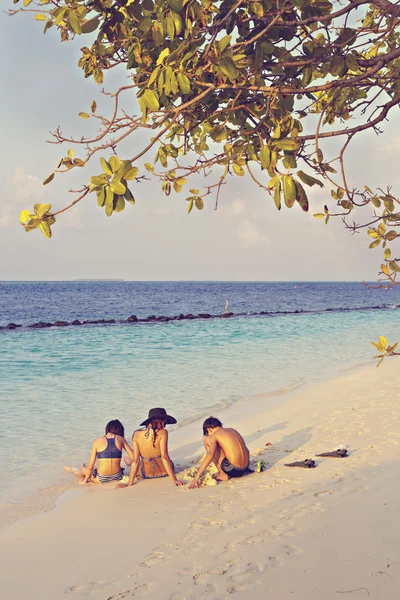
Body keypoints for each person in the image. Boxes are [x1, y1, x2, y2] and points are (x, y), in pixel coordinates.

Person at [117, 408, 185, 488]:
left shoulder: (136, 434)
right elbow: (164, 457)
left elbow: (136, 460)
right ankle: (128, 461)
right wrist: (174, 480)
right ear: (160, 421)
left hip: (146, 474)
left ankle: (128, 461)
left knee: (135, 462)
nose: (165, 425)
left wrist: (130, 483)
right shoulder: (163, 433)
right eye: (165, 422)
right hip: (165, 472)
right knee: (170, 462)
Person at [64, 419, 134, 484]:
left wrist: (85, 480)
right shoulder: (121, 439)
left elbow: (91, 466)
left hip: (101, 479)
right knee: (94, 469)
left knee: (83, 469)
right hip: (118, 477)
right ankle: (74, 469)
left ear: (107, 429)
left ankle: (72, 470)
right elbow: (134, 458)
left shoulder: (96, 441)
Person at [188, 417, 250, 489]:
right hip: (245, 467)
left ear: (208, 429)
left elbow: (211, 454)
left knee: (207, 441)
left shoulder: (215, 435)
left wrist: (197, 477)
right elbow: (247, 451)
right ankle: (230, 470)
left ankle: (223, 474)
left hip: (233, 470)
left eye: (207, 433)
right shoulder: (232, 430)